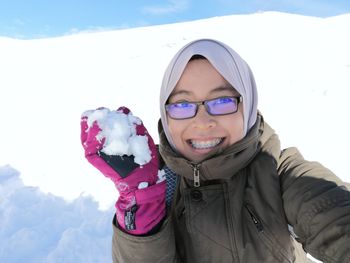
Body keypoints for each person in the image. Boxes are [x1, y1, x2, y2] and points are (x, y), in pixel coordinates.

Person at [81, 39, 350, 262]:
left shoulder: (281, 172)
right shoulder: (157, 186)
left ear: (248, 106)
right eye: (182, 105)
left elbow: (333, 216)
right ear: (165, 114)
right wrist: (142, 208)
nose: (202, 122)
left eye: (222, 101)